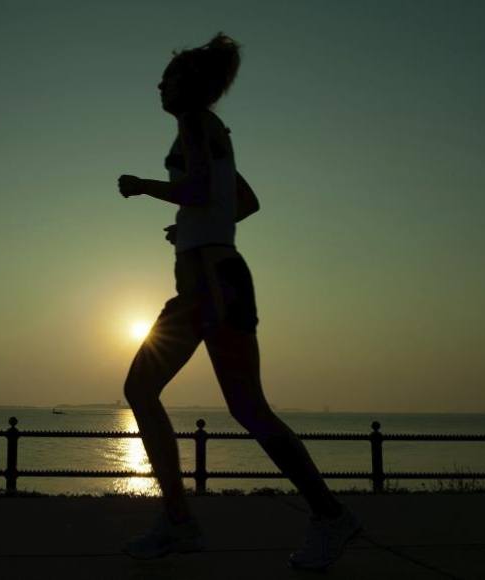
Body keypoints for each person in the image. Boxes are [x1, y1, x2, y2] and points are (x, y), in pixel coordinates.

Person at [116, 32, 362, 570]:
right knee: (194, 398)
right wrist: (190, 227)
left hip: (213, 283)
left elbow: (202, 189)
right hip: (209, 277)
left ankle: (326, 515)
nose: (160, 84)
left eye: (170, 77)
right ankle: (182, 521)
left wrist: (143, 187)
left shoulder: (194, 123)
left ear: (193, 86)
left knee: (230, 405)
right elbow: (241, 199)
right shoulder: (213, 130)